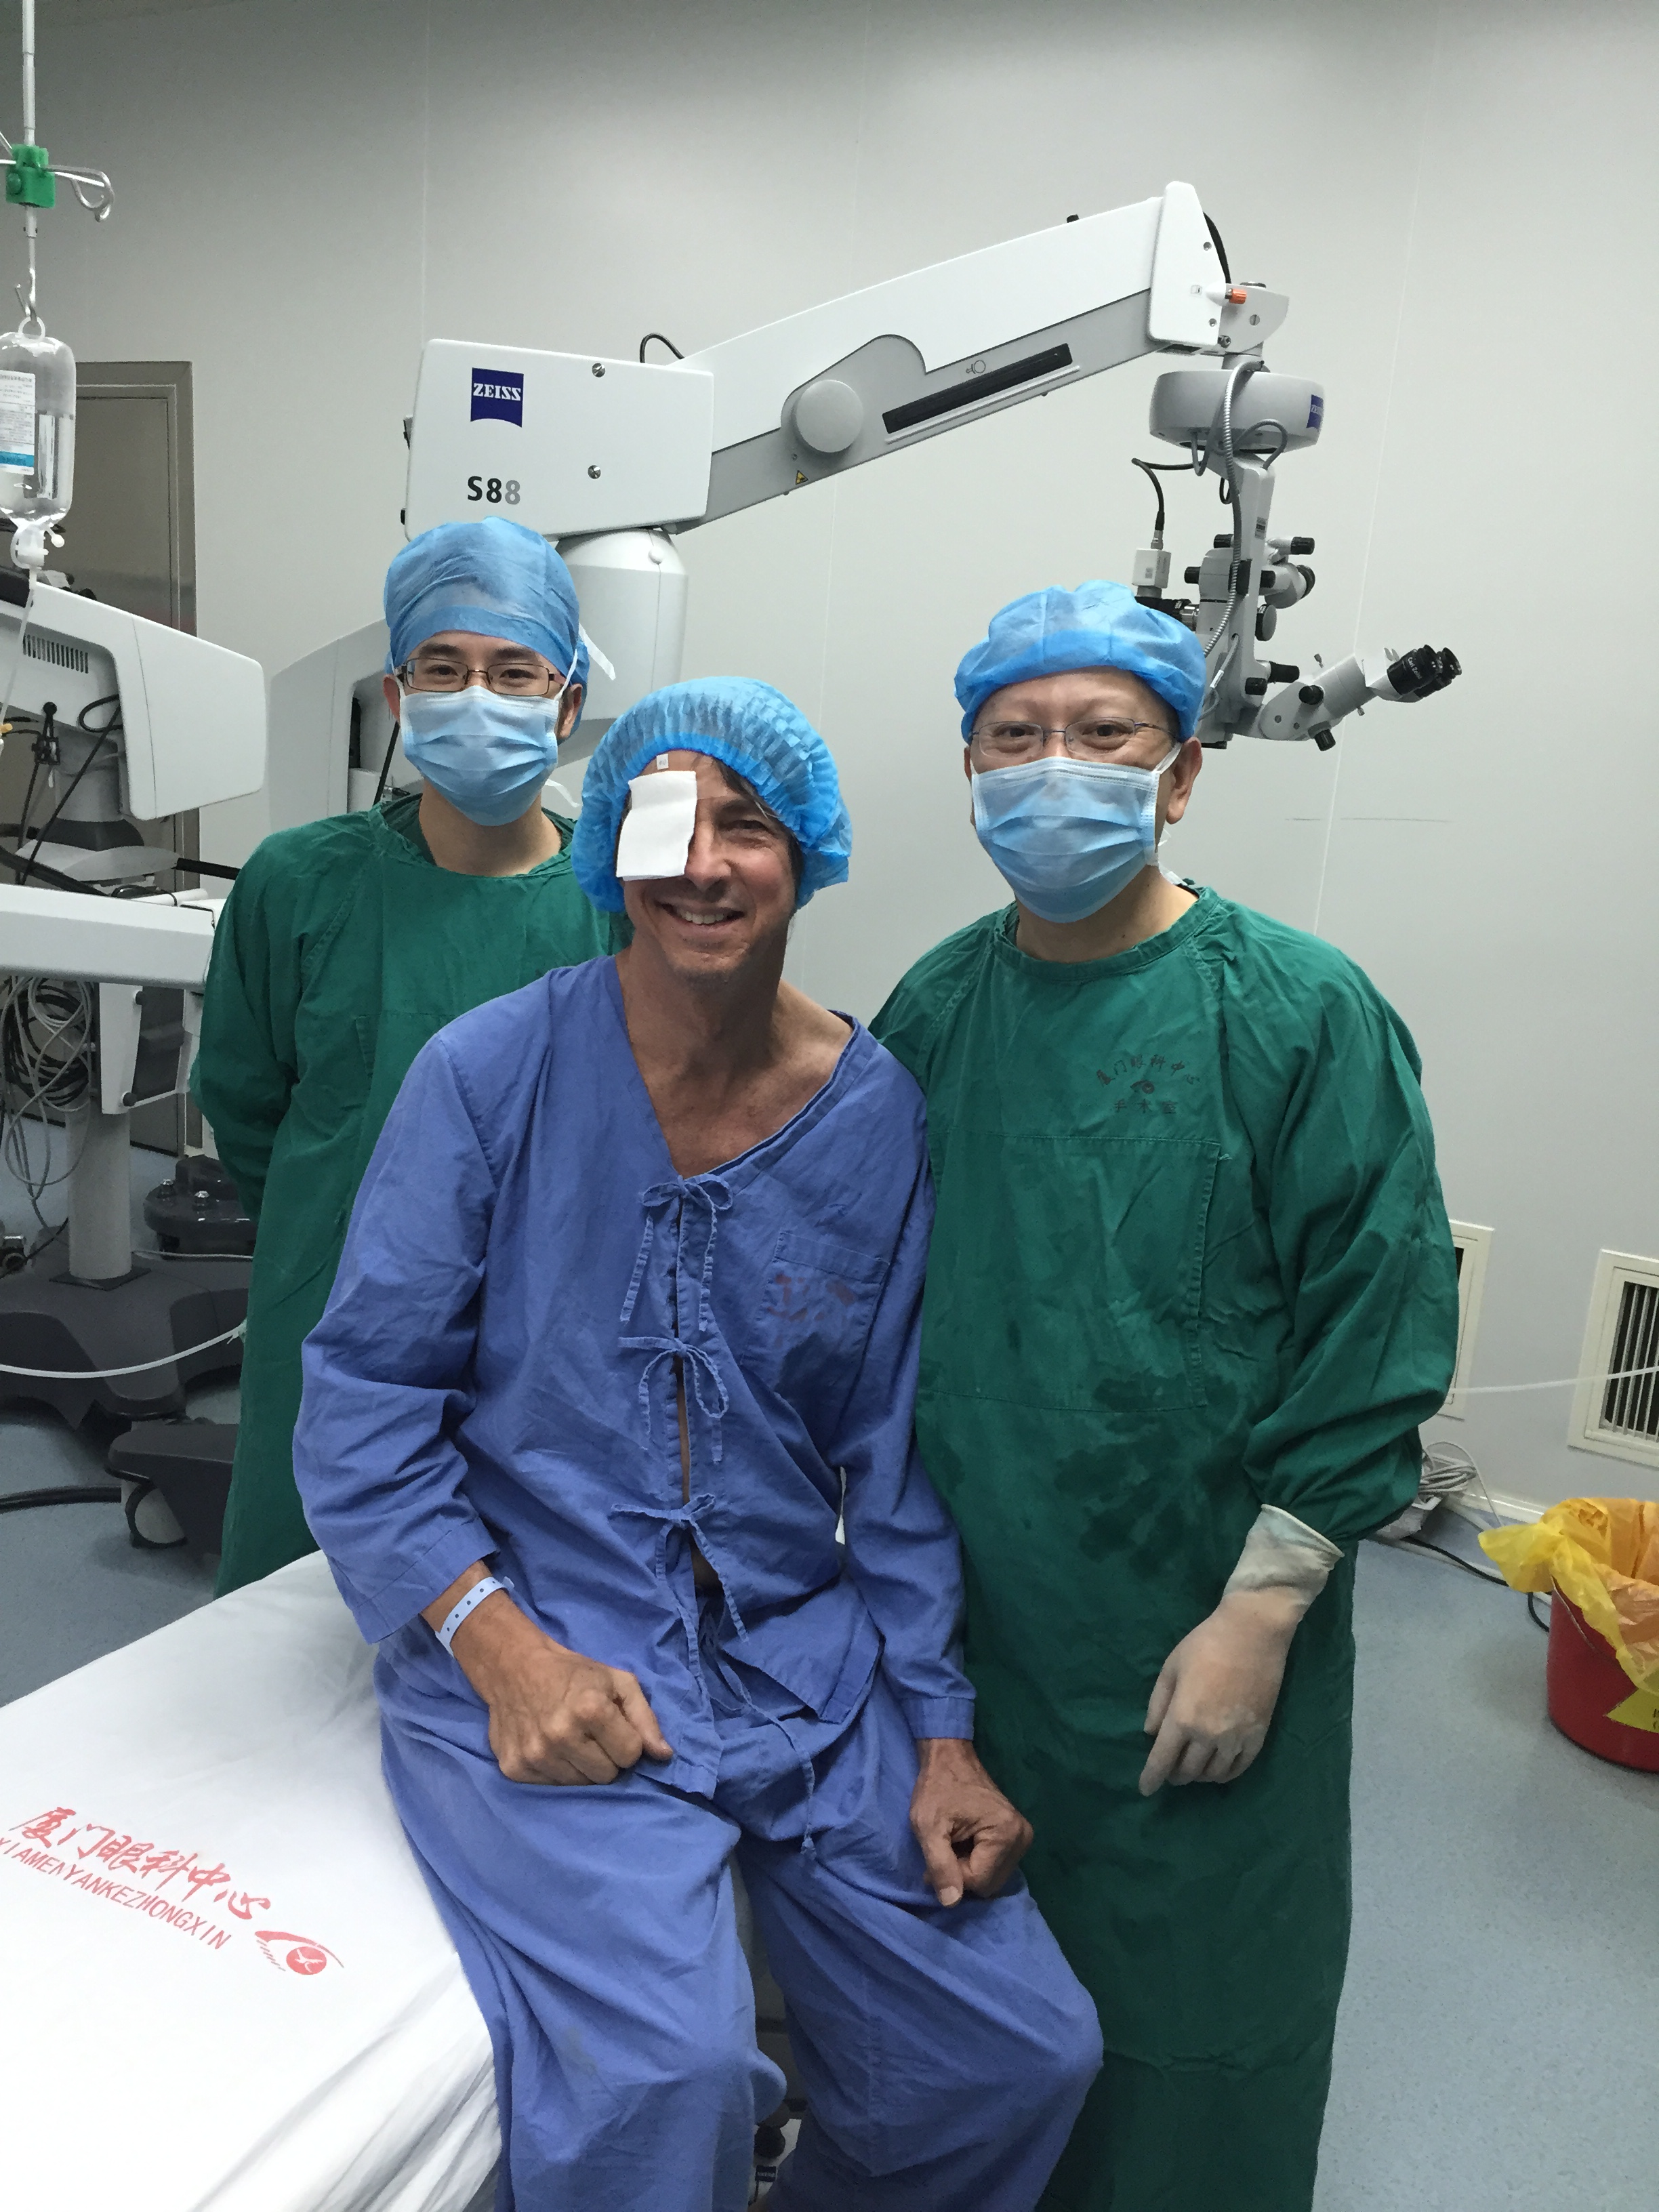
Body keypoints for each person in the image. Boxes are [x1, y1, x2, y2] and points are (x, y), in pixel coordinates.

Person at [291, 678, 1103, 2212]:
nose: (704, 864)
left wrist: (940, 1733)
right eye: (665, 822)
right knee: (668, 2078)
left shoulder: (875, 1117)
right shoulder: (490, 1075)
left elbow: (892, 1463)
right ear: (613, 847)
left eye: (749, 827)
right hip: (546, 1631)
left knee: (1016, 2055)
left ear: (809, 858)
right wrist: (500, 1651)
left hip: (797, 1657)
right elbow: (363, 1404)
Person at [869, 581, 1460, 2212]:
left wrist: (1263, 1611)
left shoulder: (1299, 1012)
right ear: (972, 770)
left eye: (1104, 734)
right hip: (979, 1623)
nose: (1055, 767)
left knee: (1203, 2026)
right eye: (1016, 737)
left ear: (1182, 774)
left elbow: (1377, 1319)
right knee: (982, 2015)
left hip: (1201, 1613)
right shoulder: (937, 1010)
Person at [193, 516, 616, 1596]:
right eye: (444, 667)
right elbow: (244, 1102)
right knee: (291, 1618)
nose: (477, 696)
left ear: (567, 705)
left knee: (519, 1623)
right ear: (397, 694)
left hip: (544, 1332)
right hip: (330, 1310)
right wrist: (338, 1232)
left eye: (513, 672)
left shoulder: (617, 906)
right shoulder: (297, 884)